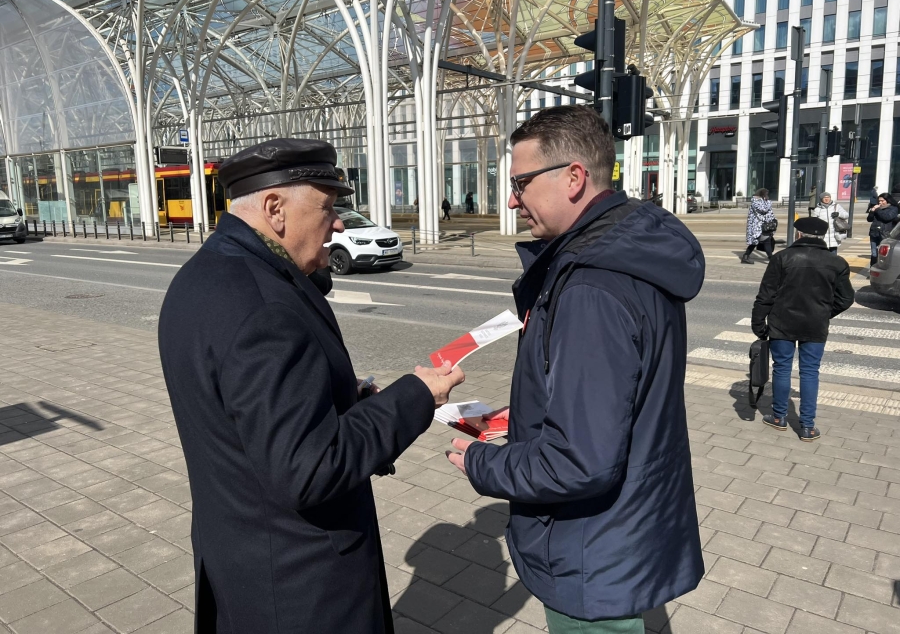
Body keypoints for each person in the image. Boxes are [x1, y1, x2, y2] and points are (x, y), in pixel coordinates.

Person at [158, 138, 465, 634]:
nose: (338, 223)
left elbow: (243, 419)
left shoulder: (201, 276)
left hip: (241, 561)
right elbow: (309, 468)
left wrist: (344, 401)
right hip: (303, 587)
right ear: (275, 209)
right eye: (327, 208)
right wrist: (415, 396)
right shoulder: (266, 308)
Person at [445, 106, 705, 633]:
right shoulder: (631, 249)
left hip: (590, 553)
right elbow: (619, 398)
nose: (512, 199)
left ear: (573, 177)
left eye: (520, 183)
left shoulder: (590, 285)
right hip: (627, 530)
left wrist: (482, 464)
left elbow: (580, 461)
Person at [751, 216, 854, 441]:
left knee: (782, 368)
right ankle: (807, 426)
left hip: (782, 323)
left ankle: (779, 417)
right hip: (815, 324)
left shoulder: (782, 258)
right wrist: (825, 312)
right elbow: (846, 298)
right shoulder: (837, 262)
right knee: (810, 372)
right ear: (823, 236)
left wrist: (758, 323)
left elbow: (766, 295)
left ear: (798, 234)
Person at [741, 188, 776, 264]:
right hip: (757, 226)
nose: (767, 196)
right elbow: (764, 210)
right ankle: (772, 259)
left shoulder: (763, 202)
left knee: (756, 242)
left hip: (761, 226)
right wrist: (769, 202)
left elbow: (768, 213)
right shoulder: (756, 202)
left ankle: (745, 256)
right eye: (766, 194)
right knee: (765, 240)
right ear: (763, 195)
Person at [867, 193, 899, 265]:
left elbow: (887, 217)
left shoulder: (893, 208)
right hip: (874, 233)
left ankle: (882, 267)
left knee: (883, 254)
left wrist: (877, 210)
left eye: (882, 201)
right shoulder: (878, 209)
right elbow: (869, 219)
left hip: (885, 233)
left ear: (888, 200)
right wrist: (872, 211)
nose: (880, 202)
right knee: (874, 253)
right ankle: (873, 268)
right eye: (879, 201)